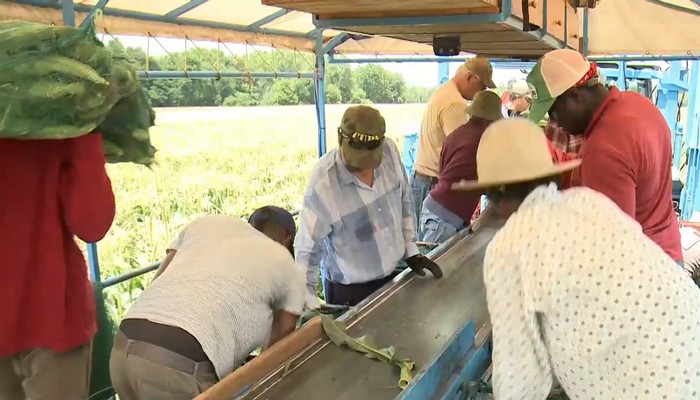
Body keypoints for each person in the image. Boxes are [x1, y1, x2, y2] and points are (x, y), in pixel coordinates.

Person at [453, 118, 700, 400]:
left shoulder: (510, 245)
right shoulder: (590, 202)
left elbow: (519, 369)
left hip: (646, 385)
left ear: (495, 192)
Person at [109, 207, 307, 400]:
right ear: (287, 240)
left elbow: (157, 281)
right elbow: (274, 355)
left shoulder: (207, 224)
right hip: (180, 368)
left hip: (124, 348)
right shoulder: (287, 266)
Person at [527, 48, 683, 264]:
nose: (554, 123)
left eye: (553, 112)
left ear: (575, 96)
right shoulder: (637, 104)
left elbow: (611, 247)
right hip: (668, 254)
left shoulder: (603, 149)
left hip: (641, 274)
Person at [0, 133, 116, 400]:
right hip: (54, 317)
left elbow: (92, 223)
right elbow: (93, 224)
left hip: (56, 324)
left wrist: (85, 132)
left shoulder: (59, 123)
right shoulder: (56, 119)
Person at [296, 105, 443, 307]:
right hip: (350, 293)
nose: (362, 167)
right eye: (356, 160)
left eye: (369, 160)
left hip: (394, 277)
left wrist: (411, 250)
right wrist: (307, 304)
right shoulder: (324, 184)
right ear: (341, 139)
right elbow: (307, 253)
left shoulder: (390, 153)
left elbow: (405, 202)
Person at [410, 57, 496, 228]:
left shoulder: (444, 92)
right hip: (435, 187)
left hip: (423, 181)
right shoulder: (455, 104)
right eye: (482, 86)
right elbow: (465, 153)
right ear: (470, 78)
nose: (481, 92)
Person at [420, 90, 502, 244]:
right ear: (490, 119)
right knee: (439, 266)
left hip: (435, 208)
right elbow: (489, 184)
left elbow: (444, 171)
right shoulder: (483, 141)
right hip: (445, 218)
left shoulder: (457, 134)